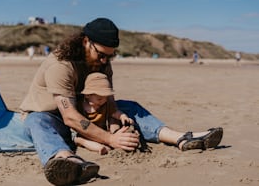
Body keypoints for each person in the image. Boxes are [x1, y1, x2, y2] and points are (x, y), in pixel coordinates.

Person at [20, 18, 223, 185]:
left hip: (87, 112)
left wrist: (117, 121)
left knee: (130, 107)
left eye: (110, 56)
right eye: (100, 55)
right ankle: (65, 160)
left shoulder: (103, 63)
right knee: (38, 121)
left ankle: (180, 138)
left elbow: (110, 103)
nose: (104, 61)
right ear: (85, 41)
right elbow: (70, 117)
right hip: (51, 116)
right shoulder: (61, 65)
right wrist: (110, 139)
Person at [73, 72, 135, 155]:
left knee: (113, 120)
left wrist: (122, 116)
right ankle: (100, 148)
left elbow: (114, 112)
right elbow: (79, 122)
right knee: (80, 140)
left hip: (102, 132)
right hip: (84, 132)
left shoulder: (105, 105)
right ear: (87, 95)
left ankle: (116, 136)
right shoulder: (80, 107)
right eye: (99, 99)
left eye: (106, 98)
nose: (104, 100)